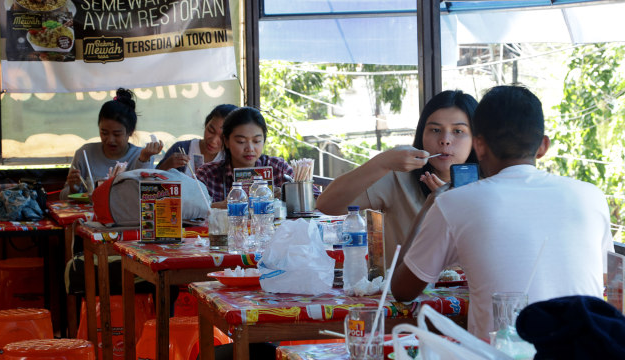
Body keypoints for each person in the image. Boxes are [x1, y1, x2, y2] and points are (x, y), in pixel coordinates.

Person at [391, 85, 614, 339]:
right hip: (591, 349)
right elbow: (605, 276)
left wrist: (432, 202)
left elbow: (401, 290)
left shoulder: (454, 203)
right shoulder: (591, 196)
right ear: (543, 147)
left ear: (479, 146)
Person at [316, 90, 478, 264]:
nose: (445, 140)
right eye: (435, 129)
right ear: (421, 134)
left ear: (477, 139)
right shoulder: (399, 176)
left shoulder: (491, 182)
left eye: (458, 131)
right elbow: (327, 205)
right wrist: (381, 163)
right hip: (406, 291)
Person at [196, 107, 317, 208]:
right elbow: (189, 212)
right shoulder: (208, 174)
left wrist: (286, 198)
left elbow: (317, 200)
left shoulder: (277, 167)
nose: (250, 148)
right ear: (226, 141)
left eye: (256, 141)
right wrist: (224, 205)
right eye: (241, 141)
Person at [60, 88, 163, 200]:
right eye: (104, 133)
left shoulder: (141, 155)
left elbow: (148, 196)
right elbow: (63, 198)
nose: (110, 140)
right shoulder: (84, 154)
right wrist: (73, 188)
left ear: (130, 132)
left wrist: (143, 160)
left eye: (117, 134)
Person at [157, 104, 238, 175]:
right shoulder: (181, 148)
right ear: (206, 124)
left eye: (222, 138)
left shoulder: (232, 158)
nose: (213, 141)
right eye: (211, 130)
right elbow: (152, 183)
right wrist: (166, 166)